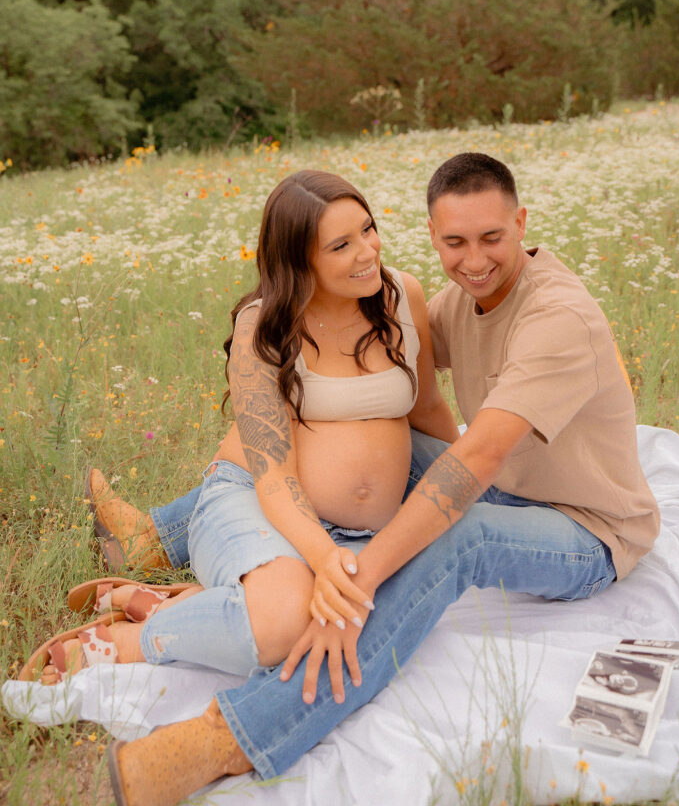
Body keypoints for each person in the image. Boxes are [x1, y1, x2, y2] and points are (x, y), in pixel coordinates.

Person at [42, 154, 661, 806]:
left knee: (461, 532)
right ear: (431, 233)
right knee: (314, 424)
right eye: (453, 241)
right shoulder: (463, 295)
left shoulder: (554, 317)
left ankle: (235, 735)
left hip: (582, 528)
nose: (473, 259)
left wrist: (356, 582)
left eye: (490, 238)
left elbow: (473, 461)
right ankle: (162, 535)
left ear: (521, 224)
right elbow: (391, 396)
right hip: (509, 483)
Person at [23, 169, 457, 685]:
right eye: (341, 245)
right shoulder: (265, 327)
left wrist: (476, 480)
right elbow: (273, 477)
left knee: (349, 631)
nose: (367, 251)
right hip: (260, 503)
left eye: (367, 229)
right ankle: (130, 638)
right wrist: (323, 557)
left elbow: (427, 408)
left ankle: (178, 596)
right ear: (301, 260)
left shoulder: (401, 296)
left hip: (365, 531)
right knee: (283, 627)